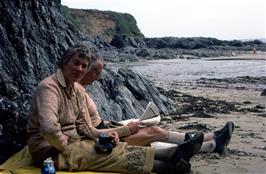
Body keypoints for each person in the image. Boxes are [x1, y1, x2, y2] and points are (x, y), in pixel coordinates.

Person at [27, 44, 204, 174]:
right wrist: (69, 145)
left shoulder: (77, 90)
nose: (80, 69)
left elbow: (85, 128)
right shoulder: (49, 88)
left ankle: (173, 158)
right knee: (104, 155)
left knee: (112, 146)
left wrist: (104, 135)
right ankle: (169, 164)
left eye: (84, 66)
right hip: (47, 150)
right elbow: (49, 129)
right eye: (76, 63)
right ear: (64, 63)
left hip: (71, 142)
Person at [79, 52, 235, 155]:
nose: (98, 78)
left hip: (106, 129)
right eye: (97, 72)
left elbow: (92, 122)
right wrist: (125, 129)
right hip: (104, 139)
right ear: (86, 69)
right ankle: (212, 144)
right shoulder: (78, 93)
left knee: (147, 126)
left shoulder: (80, 89)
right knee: (154, 132)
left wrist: (114, 124)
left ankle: (211, 138)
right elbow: (88, 131)